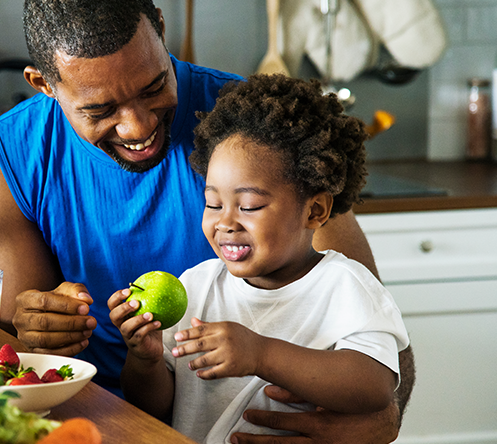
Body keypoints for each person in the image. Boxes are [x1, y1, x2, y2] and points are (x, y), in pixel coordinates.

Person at [0, 0, 415, 441]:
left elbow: (379, 344)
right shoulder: (3, 158)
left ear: (161, 28)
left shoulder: (258, 135)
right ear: (43, 83)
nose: (137, 127)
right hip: (83, 421)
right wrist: (44, 329)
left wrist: (379, 422)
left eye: (154, 86)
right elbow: (18, 351)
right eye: (101, 110)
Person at [108, 74, 410, 443]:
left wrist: (261, 354)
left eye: (249, 205)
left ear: (314, 211)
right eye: (213, 203)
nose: (225, 222)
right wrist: (146, 360)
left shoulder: (344, 286)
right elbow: (156, 408)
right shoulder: (197, 286)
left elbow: (373, 386)